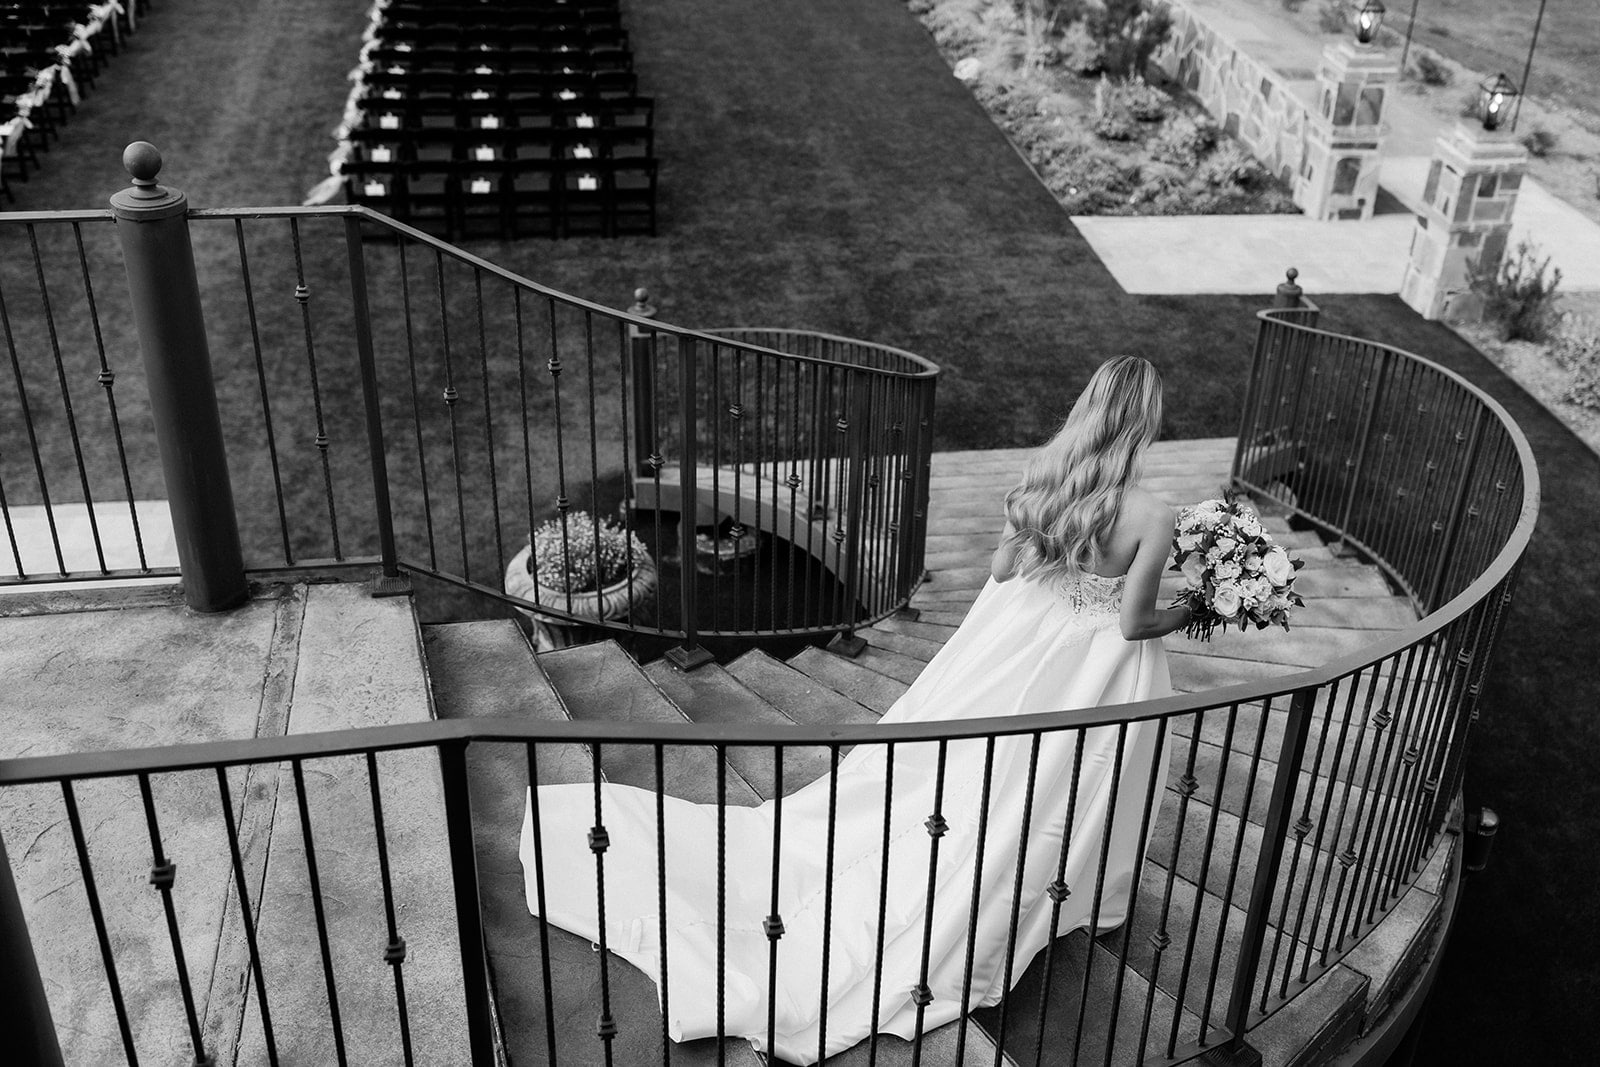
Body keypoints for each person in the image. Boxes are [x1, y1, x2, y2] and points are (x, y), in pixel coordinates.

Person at [520, 355, 1192, 1064]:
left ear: (1089, 408)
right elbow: (1133, 624)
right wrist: (1201, 606)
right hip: (1091, 673)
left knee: (976, 767)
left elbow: (1001, 571)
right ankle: (1069, 886)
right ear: (1143, 422)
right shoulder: (1153, 514)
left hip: (1020, 654)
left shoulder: (1046, 476)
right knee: (1065, 778)